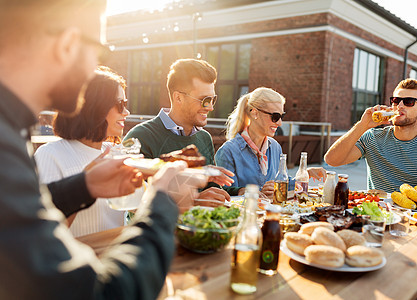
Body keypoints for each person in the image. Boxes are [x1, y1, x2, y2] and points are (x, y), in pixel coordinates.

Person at [0, 1, 206, 299]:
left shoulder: (12, 131)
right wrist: (162, 202)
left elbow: (17, 225)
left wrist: (84, 186)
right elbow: (100, 294)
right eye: (98, 50)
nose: (94, 69)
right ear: (68, 44)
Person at [34, 66, 135, 237]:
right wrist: (84, 186)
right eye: (120, 104)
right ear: (96, 108)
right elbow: (44, 235)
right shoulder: (50, 156)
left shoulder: (116, 153)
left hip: (113, 256)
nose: (126, 112)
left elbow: (131, 211)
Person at [124, 58, 238, 202]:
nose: (210, 107)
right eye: (204, 100)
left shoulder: (204, 138)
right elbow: (135, 200)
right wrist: (195, 201)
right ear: (178, 98)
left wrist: (237, 192)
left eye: (212, 99)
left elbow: (211, 188)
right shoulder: (139, 137)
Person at [324, 78, 417, 205]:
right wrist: (363, 125)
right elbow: (332, 160)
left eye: (408, 102)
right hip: (374, 216)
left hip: (413, 219)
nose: (399, 106)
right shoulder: (372, 137)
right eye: (396, 101)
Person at [215, 87, 326, 198]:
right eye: (275, 117)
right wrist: (254, 192)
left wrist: (305, 174)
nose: (280, 123)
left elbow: (283, 183)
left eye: (281, 116)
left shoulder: (275, 147)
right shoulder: (228, 151)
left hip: (273, 213)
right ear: (254, 113)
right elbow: (225, 192)